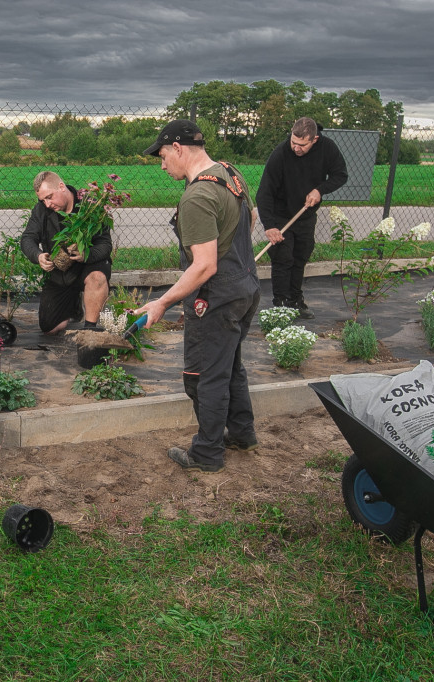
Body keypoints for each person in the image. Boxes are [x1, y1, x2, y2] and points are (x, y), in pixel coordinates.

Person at [135, 120, 260, 473]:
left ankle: (207, 453)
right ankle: (241, 433)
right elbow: (249, 221)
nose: (162, 165)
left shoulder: (198, 197)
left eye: (162, 156)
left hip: (216, 297)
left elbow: (204, 266)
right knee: (230, 366)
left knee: (204, 376)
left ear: (178, 148)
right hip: (246, 287)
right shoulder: (230, 174)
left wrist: (162, 302)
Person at [256, 117, 348, 319]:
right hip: (281, 215)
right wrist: (270, 226)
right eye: (293, 142)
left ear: (314, 139)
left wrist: (320, 190)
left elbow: (341, 175)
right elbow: (264, 193)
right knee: (283, 259)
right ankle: (280, 305)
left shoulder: (327, 148)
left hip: (305, 215)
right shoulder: (280, 154)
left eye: (302, 145)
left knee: (300, 258)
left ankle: (295, 301)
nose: (296, 148)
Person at [21, 171, 112, 334]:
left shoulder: (91, 206)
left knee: (97, 277)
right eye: (43, 200)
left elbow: (105, 245)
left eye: (49, 197)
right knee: (50, 328)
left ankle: (89, 330)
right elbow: (28, 238)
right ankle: (74, 305)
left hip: (88, 266)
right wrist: (38, 255)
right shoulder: (41, 210)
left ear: (61, 187)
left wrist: (87, 255)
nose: (47, 204)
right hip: (61, 273)